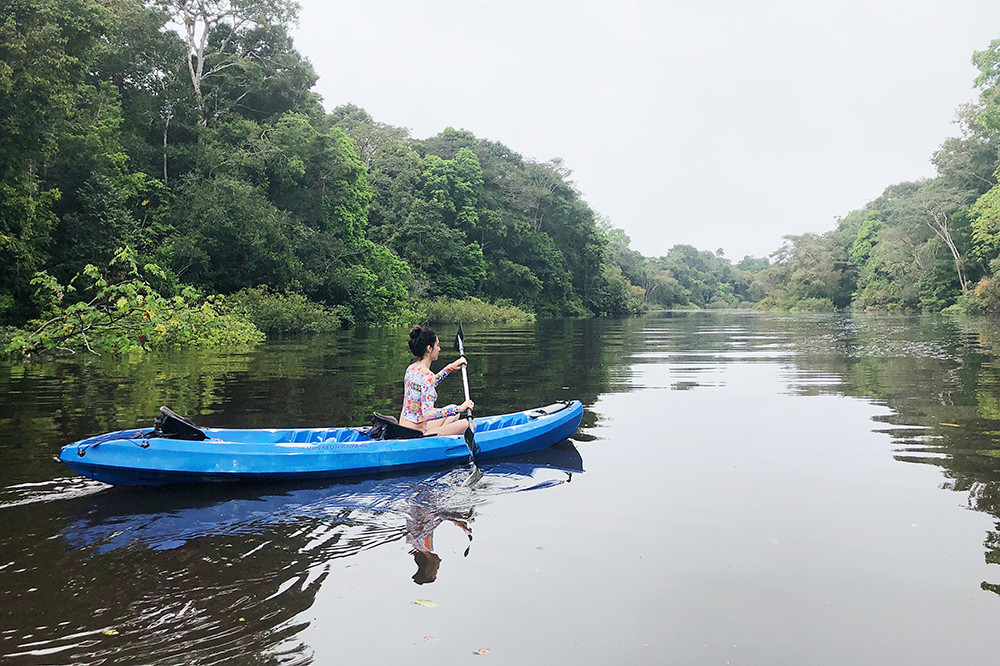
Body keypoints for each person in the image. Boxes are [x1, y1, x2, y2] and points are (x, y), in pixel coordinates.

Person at [399, 325, 475, 436]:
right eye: (437, 345)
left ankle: (442, 434)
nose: (439, 349)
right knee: (470, 424)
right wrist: (460, 408)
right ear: (429, 348)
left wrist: (450, 367)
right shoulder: (427, 376)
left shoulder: (412, 368)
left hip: (404, 428)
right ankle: (438, 438)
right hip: (416, 434)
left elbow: (430, 383)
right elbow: (428, 414)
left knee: (452, 412)